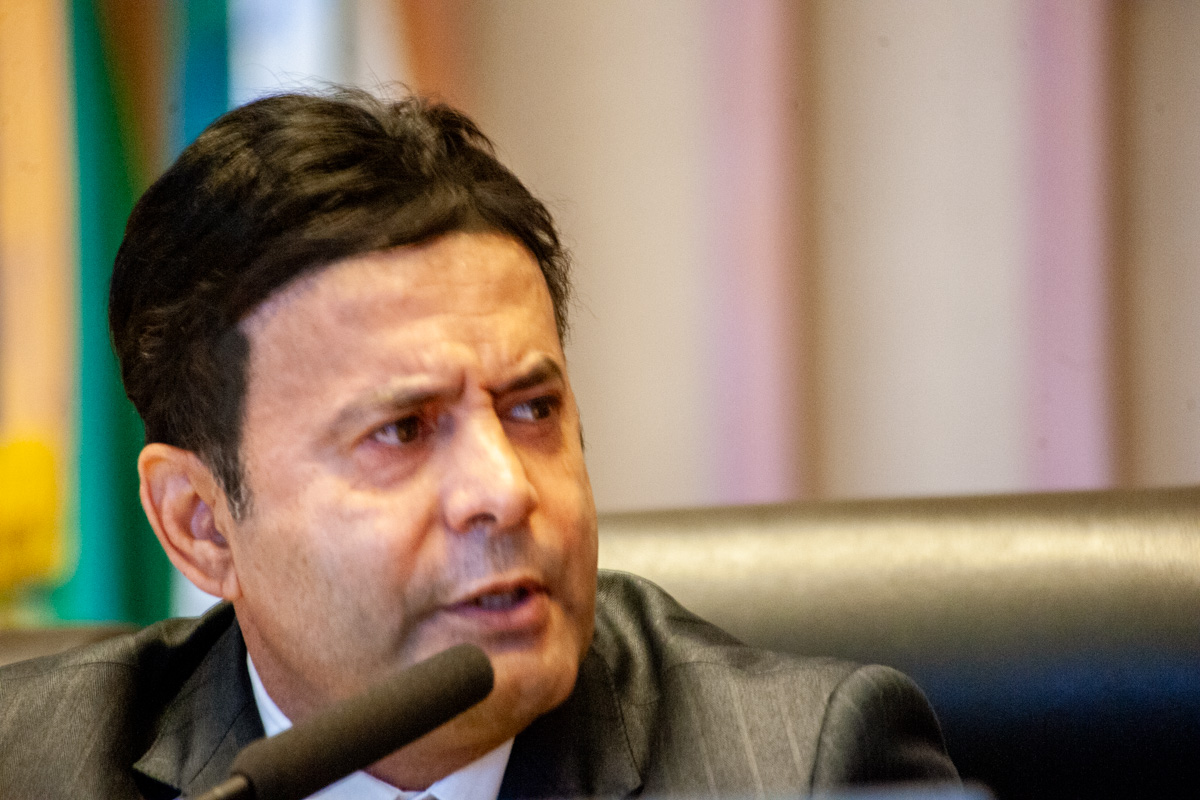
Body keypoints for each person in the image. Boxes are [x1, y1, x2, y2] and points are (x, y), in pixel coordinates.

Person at [0, 90, 957, 799]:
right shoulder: (34, 764)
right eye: (403, 430)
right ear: (201, 525)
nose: (505, 491)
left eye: (531, 410)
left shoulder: (802, 766)